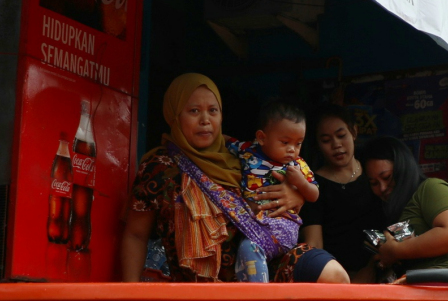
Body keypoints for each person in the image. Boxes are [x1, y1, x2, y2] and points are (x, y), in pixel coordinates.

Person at [120, 74, 348, 284]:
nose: (205, 120)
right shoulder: (161, 167)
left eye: (213, 110)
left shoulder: (240, 155)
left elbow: (286, 180)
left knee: (334, 276)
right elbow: (136, 235)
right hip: (198, 286)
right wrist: (129, 296)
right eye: (193, 111)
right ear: (174, 115)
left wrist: (295, 194)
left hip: (263, 265)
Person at [357, 136, 448, 286]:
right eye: (374, 183)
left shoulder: (431, 188)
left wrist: (396, 250)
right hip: (420, 293)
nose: (382, 187)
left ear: (403, 168)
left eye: (387, 177)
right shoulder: (390, 214)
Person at [233, 101, 320, 278]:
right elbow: (224, 142)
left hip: (282, 227)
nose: (292, 150)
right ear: (262, 137)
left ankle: (260, 299)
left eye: (298, 144)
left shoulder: (297, 165)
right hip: (252, 223)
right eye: (285, 142)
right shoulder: (247, 151)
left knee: (249, 249)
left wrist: (301, 184)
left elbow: (315, 194)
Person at [300, 106, 383, 279]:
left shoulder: (373, 172)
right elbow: (314, 245)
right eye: (326, 140)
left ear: (354, 132)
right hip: (338, 280)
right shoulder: (313, 187)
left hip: (382, 269)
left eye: (341, 135)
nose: (336, 145)